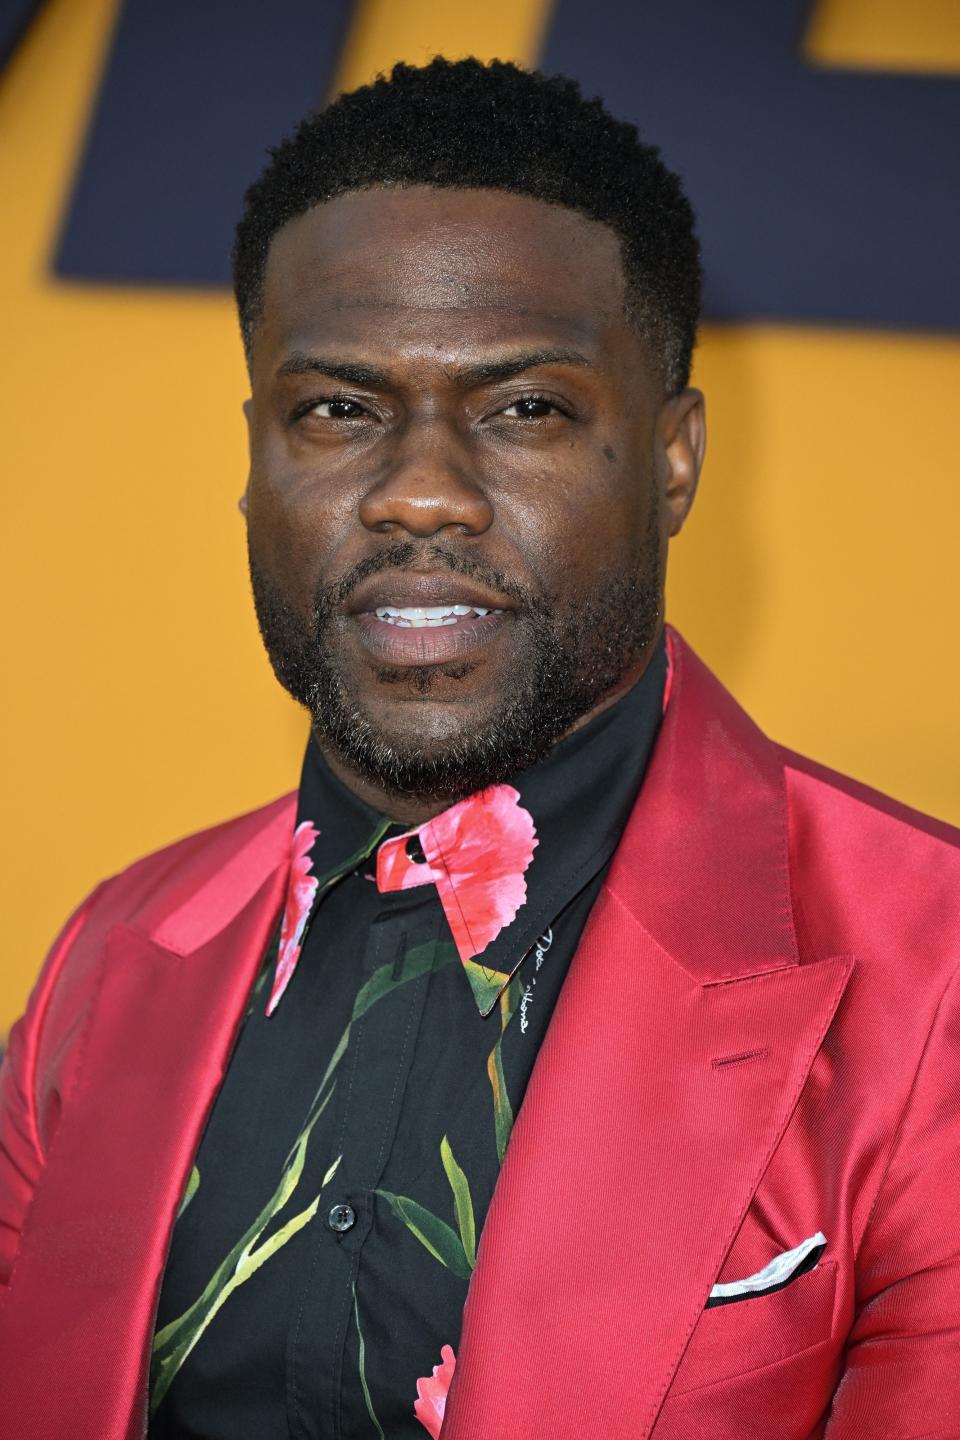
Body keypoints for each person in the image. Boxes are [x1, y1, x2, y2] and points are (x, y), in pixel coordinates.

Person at [1, 57, 958, 1440]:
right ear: (257, 456)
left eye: (524, 410)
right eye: (337, 408)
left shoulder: (930, 981)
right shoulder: (114, 956)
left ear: (675, 460)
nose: (422, 492)